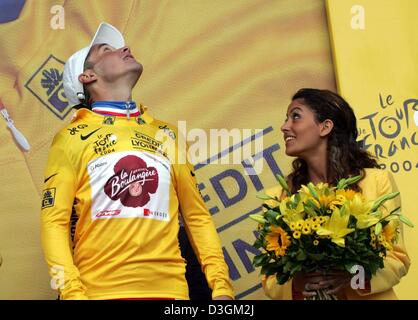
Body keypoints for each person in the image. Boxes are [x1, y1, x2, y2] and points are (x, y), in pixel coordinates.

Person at [41, 22, 233, 300]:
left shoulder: (166, 134)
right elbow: (53, 223)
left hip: (172, 293)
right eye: (106, 50)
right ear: (87, 76)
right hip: (100, 293)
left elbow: (196, 217)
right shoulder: (71, 137)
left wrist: (221, 287)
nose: (126, 49)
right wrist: (72, 294)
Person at [262, 88, 410, 300]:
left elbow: (397, 258)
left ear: (325, 127)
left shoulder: (377, 181)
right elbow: (270, 278)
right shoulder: (277, 198)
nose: (284, 127)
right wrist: (297, 284)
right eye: (286, 119)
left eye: (295, 116)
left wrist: (353, 276)